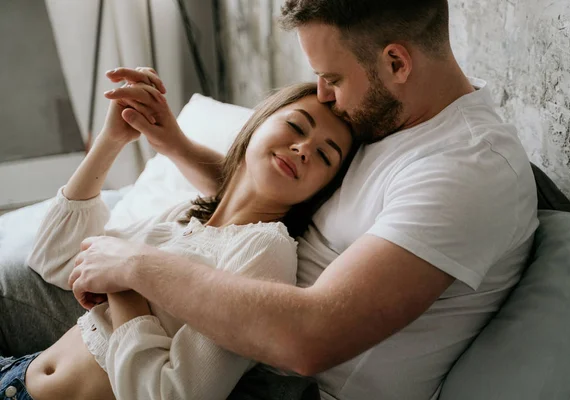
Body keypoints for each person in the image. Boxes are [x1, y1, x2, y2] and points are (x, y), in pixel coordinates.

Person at [0, 1, 539, 399]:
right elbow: (272, 196)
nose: (325, 96)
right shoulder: (393, 114)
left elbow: (311, 336)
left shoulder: (466, 170)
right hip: (179, 312)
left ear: (396, 63)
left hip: (250, 369)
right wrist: (174, 146)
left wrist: (135, 267)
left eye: (331, 78)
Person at [0, 76, 355, 399]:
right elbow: (54, 258)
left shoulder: (266, 250)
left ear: (321, 191)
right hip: (16, 373)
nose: (304, 148)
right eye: (295, 126)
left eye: (324, 155)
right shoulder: (186, 216)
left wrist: (124, 279)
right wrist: (112, 140)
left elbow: (174, 393)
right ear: (257, 123)